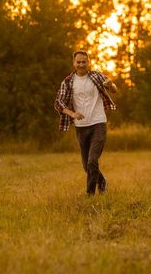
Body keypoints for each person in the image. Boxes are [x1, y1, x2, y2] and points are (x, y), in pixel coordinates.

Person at [54, 51, 117, 195]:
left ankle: (90, 194)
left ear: (88, 62)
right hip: (81, 127)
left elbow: (113, 90)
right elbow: (58, 102)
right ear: (74, 63)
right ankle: (102, 182)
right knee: (86, 166)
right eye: (78, 62)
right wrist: (72, 113)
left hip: (98, 123)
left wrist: (111, 85)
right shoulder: (68, 81)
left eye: (84, 62)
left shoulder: (97, 76)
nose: (81, 64)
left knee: (92, 160)